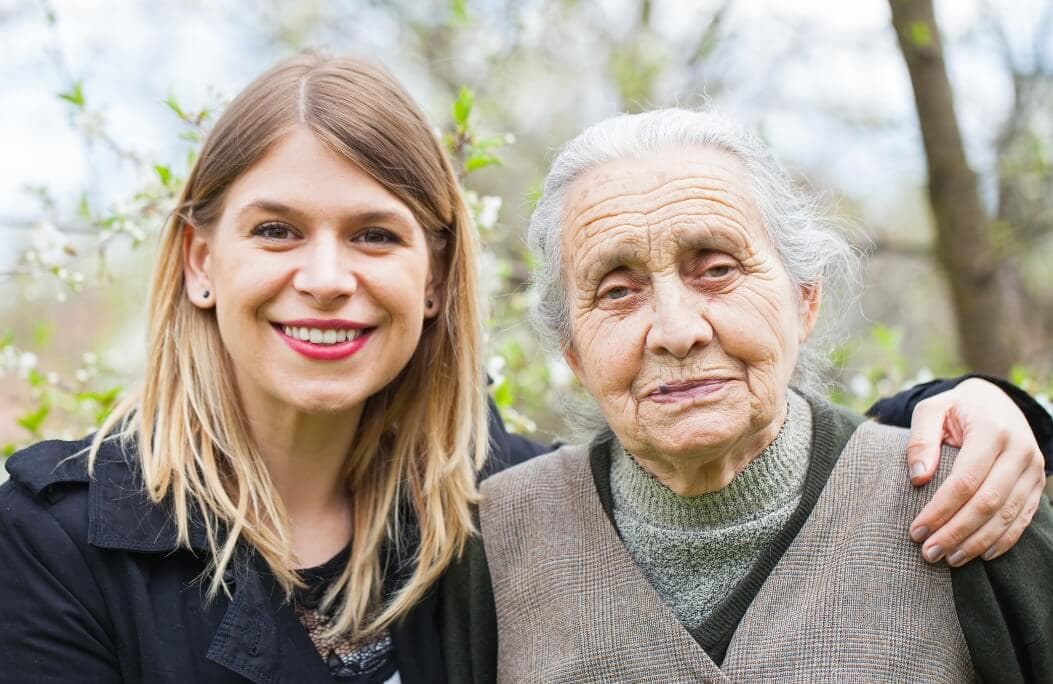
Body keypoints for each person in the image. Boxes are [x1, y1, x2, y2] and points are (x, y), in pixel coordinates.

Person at [0, 56, 1047, 684]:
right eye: (275, 231)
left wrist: (981, 410)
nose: (325, 278)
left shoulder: (490, 505)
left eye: (374, 236)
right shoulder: (57, 536)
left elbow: (765, 474)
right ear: (198, 263)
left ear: (439, 279)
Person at [442, 108, 1053, 683]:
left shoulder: (972, 496)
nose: (677, 332)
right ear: (573, 353)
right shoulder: (493, 541)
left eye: (716, 270)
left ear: (804, 299)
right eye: (617, 291)